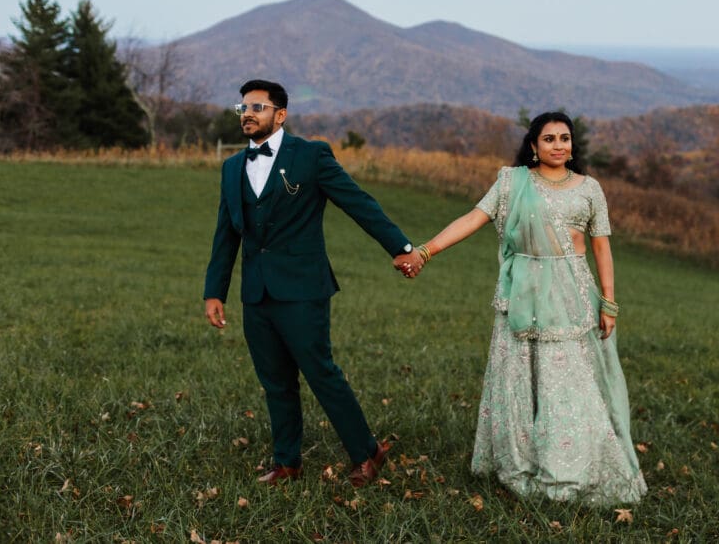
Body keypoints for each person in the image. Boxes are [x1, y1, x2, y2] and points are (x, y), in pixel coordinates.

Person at [398, 112, 647, 505]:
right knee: (518, 379)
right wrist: (426, 251)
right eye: (549, 138)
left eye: (564, 138)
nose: (558, 145)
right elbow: (473, 219)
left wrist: (609, 301)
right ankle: (521, 461)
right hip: (521, 295)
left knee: (567, 383)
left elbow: (602, 246)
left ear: (572, 145)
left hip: (570, 297)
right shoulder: (512, 183)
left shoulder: (589, 188)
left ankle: (570, 469)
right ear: (533, 145)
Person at [203, 79, 424, 487]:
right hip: (255, 292)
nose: (247, 114)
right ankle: (287, 462)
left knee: (321, 373)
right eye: (243, 108)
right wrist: (215, 291)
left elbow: (358, 202)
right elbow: (226, 233)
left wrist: (401, 247)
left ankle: (367, 452)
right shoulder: (232, 167)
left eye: (257, 107)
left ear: (280, 115)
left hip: (303, 289)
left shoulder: (311, 156)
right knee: (275, 381)